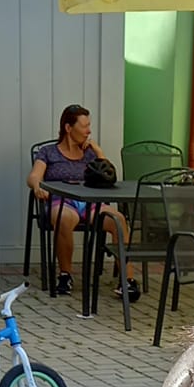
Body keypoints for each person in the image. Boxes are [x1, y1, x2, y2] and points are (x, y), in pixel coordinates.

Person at [28, 103, 133, 299]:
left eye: (89, 125)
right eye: (84, 126)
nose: (89, 131)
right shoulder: (48, 152)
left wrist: (98, 151)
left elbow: (108, 177)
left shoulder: (90, 154)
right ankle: (65, 275)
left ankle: (127, 281)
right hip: (63, 202)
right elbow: (34, 176)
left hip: (91, 203)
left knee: (118, 220)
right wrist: (37, 186)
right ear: (69, 128)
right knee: (64, 219)